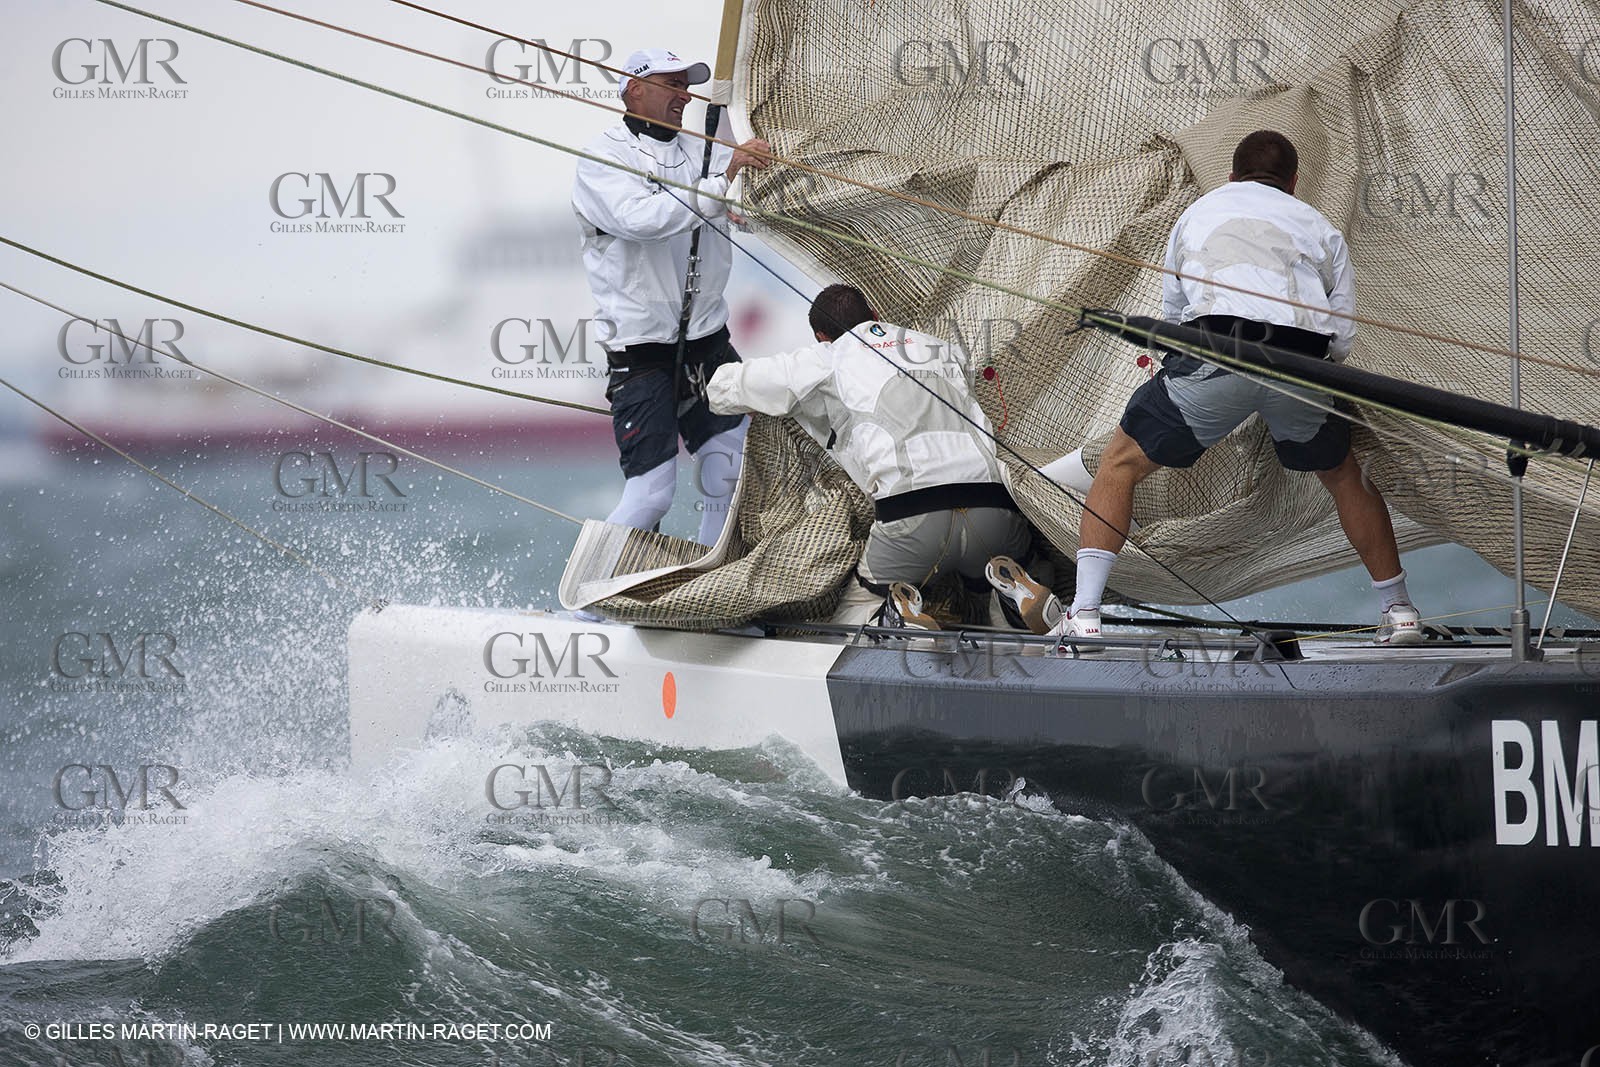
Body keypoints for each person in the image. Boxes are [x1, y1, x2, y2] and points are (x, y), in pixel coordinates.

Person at [1055, 129, 1422, 646]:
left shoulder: (1199, 212)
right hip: (1303, 366)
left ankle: (1086, 615)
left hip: (1218, 351)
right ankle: (1401, 612)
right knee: (1343, 474)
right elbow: (1340, 338)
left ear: (1231, 176)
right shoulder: (1321, 229)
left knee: (1118, 464)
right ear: (1293, 183)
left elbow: (1175, 316)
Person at [703, 284, 1046, 631]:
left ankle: (896, 616)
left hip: (913, 516)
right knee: (985, 589)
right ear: (875, 315)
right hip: (995, 508)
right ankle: (1011, 600)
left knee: (860, 602)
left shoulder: (828, 357)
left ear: (823, 337)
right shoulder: (942, 349)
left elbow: (722, 389)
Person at [571, 48, 772, 546]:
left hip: (707, 340)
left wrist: (743, 200)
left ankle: (706, 589)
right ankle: (586, 605)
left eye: (687, 85)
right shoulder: (603, 159)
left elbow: (739, 203)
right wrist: (722, 182)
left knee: (729, 477)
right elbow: (643, 221)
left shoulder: (706, 148)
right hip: (642, 351)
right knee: (652, 496)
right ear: (634, 90)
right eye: (671, 84)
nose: (684, 94)